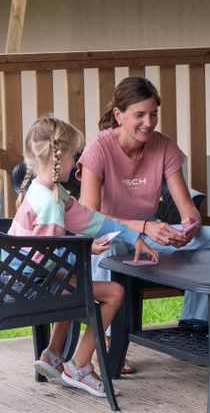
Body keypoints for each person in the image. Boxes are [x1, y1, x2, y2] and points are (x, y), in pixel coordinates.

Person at [76, 76, 210, 368]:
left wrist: (189, 227)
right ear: (119, 115)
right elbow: (89, 216)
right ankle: (109, 340)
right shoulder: (99, 148)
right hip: (109, 236)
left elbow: (189, 209)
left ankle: (194, 326)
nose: (149, 122)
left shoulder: (164, 147)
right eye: (140, 115)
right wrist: (143, 226)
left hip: (145, 240)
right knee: (105, 246)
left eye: (153, 114)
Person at [7, 115, 159, 398]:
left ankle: (52, 354)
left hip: (22, 282)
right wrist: (86, 248)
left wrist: (131, 235)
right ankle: (78, 366)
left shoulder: (45, 192)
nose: (76, 162)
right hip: (33, 287)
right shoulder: (51, 203)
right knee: (113, 292)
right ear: (60, 157)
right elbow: (48, 254)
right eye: (74, 155)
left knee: (75, 283)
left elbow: (91, 221)